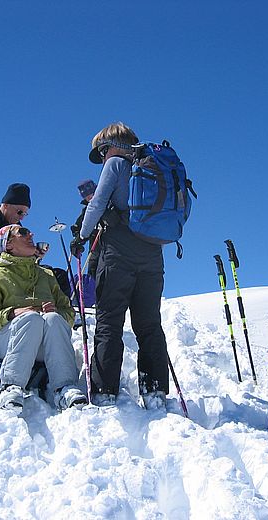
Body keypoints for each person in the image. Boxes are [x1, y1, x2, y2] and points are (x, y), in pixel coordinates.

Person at [71, 122, 168, 409]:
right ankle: (154, 391)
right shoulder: (153, 165)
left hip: (119, 252)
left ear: (113, 145)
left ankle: (104, 390)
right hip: (152, 253)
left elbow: (98, 202)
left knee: (110, 320)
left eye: (102, 150)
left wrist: (82, 235)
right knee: (149, 323)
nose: (102, 157)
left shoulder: (115, 163)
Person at [0, 224, 87, 411]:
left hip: (43, 344)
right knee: (30, 318)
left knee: (54, 320)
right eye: (22, 233)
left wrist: (55, 312)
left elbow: (68, 312)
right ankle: (11, 386)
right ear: (8, 245)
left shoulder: (46, 276)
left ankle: (65, 387)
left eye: (29, 231)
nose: (30, 234)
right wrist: (11, 313)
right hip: (5, 343)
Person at [71, 179, 100, 275]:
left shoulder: (106, 202)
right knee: (93, 268)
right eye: (86, 196)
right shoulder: (86, 211)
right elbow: (79, 226)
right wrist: (77, 240)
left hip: (111, 243)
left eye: (91, 194)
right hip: (94, 245)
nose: (89, 198)